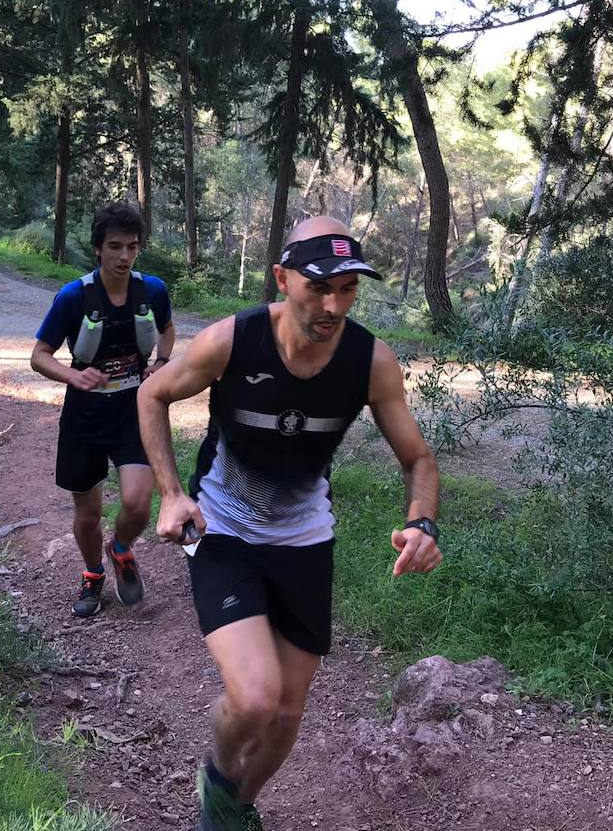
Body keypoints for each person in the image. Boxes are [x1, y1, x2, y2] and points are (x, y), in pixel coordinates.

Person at [137, 216, 443, 831]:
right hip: (222, 529)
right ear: (281, 279)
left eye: (348, 289)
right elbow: (152, 395)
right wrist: (171, 495)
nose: (333, 305)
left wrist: (423, 525)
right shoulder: (233, 340)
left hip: (304, 540)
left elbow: (419, 459)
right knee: (254, 697)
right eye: (318, 287)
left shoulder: (370, 362)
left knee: (286, 715)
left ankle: (238, 806)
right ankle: (217, 781)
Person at [31, 203, 176, 618]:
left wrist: (162, 363)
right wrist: (71, 376)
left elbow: (167, 330)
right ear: (98, 249)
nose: (124, 256)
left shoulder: (152, 291)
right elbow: (39, 355)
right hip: (85, 413)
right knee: (88, 512)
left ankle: (121, 549)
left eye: (132, 247)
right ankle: (93, 575)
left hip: (134, 408)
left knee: (137, 502)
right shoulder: (74, 296)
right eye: (115, 246)